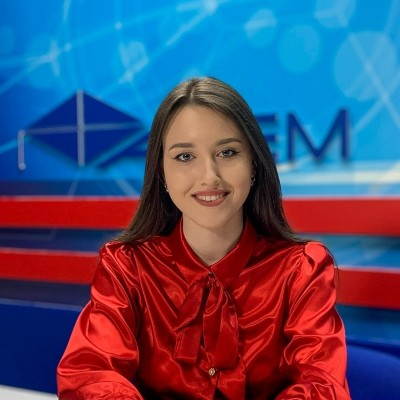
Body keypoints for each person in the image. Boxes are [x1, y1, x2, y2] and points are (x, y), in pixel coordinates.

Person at [57, 77, 350, 399]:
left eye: (227, 152)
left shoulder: (302, 270)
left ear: (253, 164)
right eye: (185, 157)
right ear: (161, 172)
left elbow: (321, 385)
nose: (209, 176)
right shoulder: (127, 267)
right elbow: (91, 373)